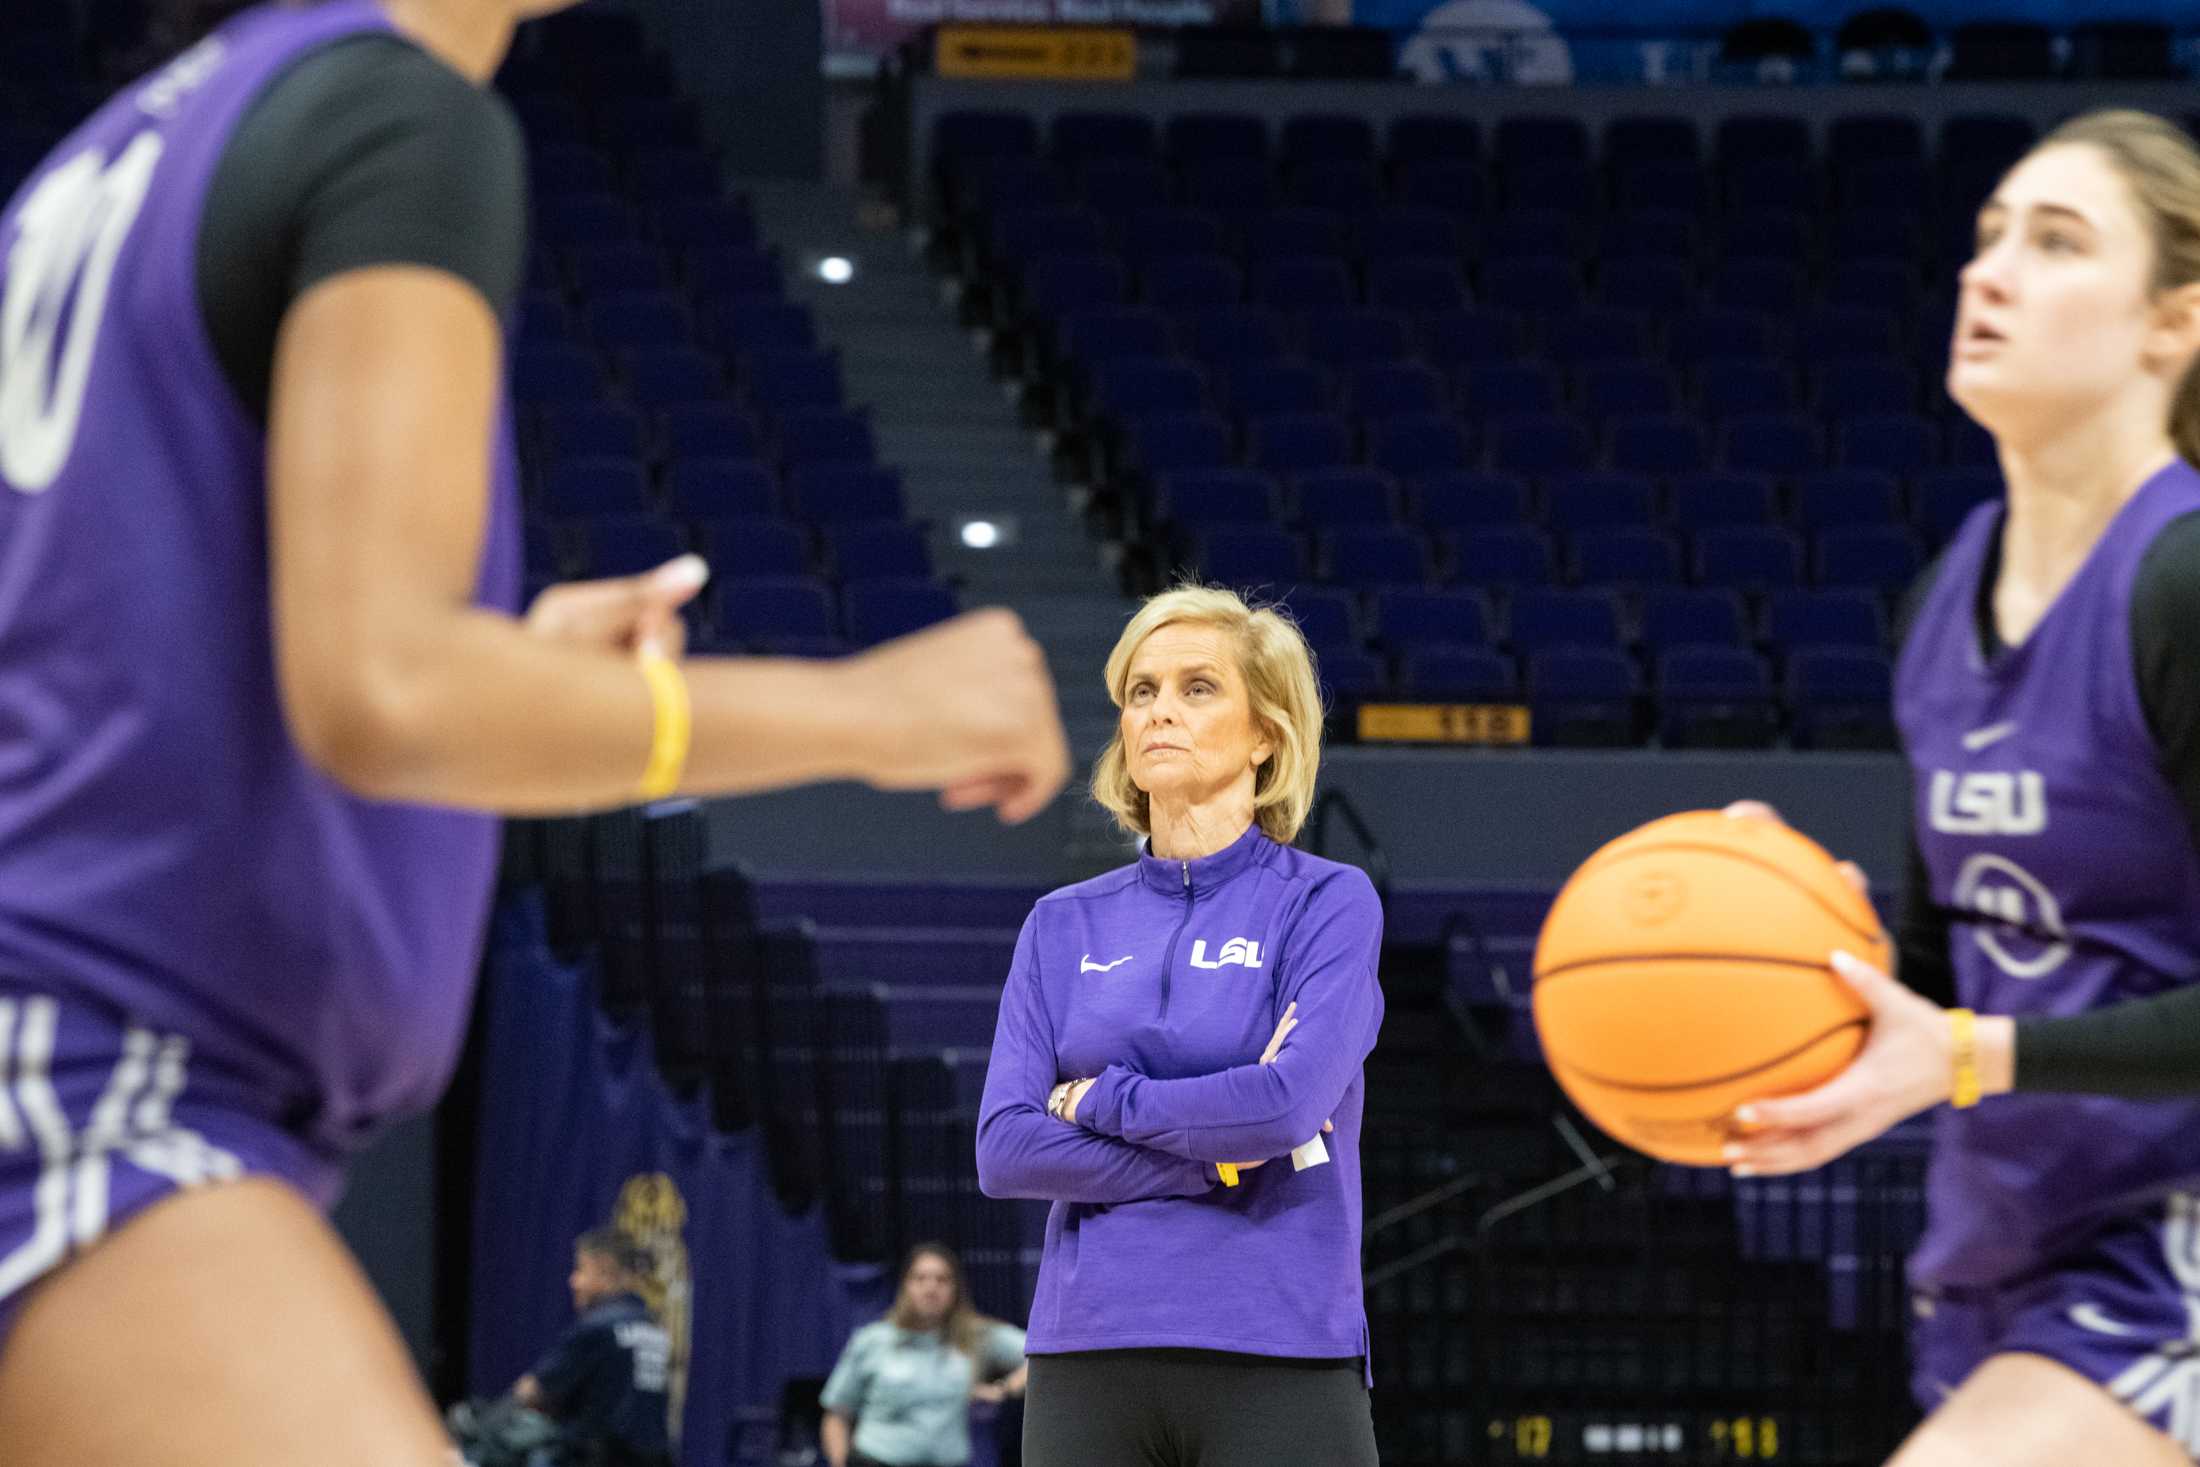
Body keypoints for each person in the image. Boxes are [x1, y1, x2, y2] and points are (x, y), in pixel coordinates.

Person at [0, 2, 1070, 1463]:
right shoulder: (396, 116)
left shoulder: (125, 148)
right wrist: (873, 707)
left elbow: (136, 657)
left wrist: (513, 672)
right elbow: (388, 692)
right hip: (91, 1068)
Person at [1723, 111, 2200, 1465]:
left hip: (2169, 1240)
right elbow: (1950, 969)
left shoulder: (2181, 581)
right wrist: (1795, 938)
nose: (1986, 272)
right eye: (1989, 236)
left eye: (2055, 244)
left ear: (2173, 323)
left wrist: (1976, 1053)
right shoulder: (1947, 589)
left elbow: (1975, 1037)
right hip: (2002, 1246)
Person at [974, 584, 1383, 1467]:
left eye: (1199, 688)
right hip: (1089, 1352)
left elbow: (1281, 1104)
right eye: (1142, 691)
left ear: (1267, 732)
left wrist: (1096, 1099)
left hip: (1283, 1344)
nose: (1161, 711)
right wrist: (1216, 1156)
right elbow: (1006, 1148)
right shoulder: (1059, 923)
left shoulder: (1326, 902)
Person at [818, 1242, 1027, 1467]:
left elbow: (1041, 1356)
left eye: (942, 1279)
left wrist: (1006, 1388)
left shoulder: (975, 1336)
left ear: (956, 1289)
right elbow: (836, 1416)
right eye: (920, 1278)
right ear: (905, 1286)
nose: (931, 1288)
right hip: (876, 1460)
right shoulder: (873, 1340)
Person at [511, 1229, 672, 1467]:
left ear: (605, 1271)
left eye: (580, 1270)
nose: (573, 1281)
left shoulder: (598, 1328)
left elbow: (531, 1391)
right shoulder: (653, 1327)